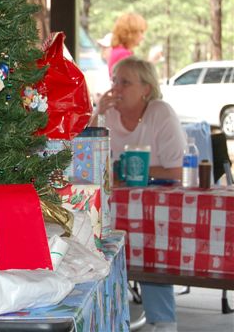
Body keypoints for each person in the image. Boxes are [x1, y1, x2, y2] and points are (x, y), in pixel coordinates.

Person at [92, 56, 185, 332]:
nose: (116, 88)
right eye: (114, 81)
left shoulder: (160, 113)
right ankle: (107, 316)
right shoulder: (108, 115)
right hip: (115, 199)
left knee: (151, 242)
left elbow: (176, 171)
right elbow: (88, 157)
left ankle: (163, 320)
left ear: (146, 88)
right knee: (97, 244)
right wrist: (97, 113)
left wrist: (128, 173)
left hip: (156, 200)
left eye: (125, 82)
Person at [107, 13, 147, 78]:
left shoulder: (117, 51)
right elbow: (135, 79)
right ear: (131, 33)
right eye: (141, 32)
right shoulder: (123, 55)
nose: (143, 37)